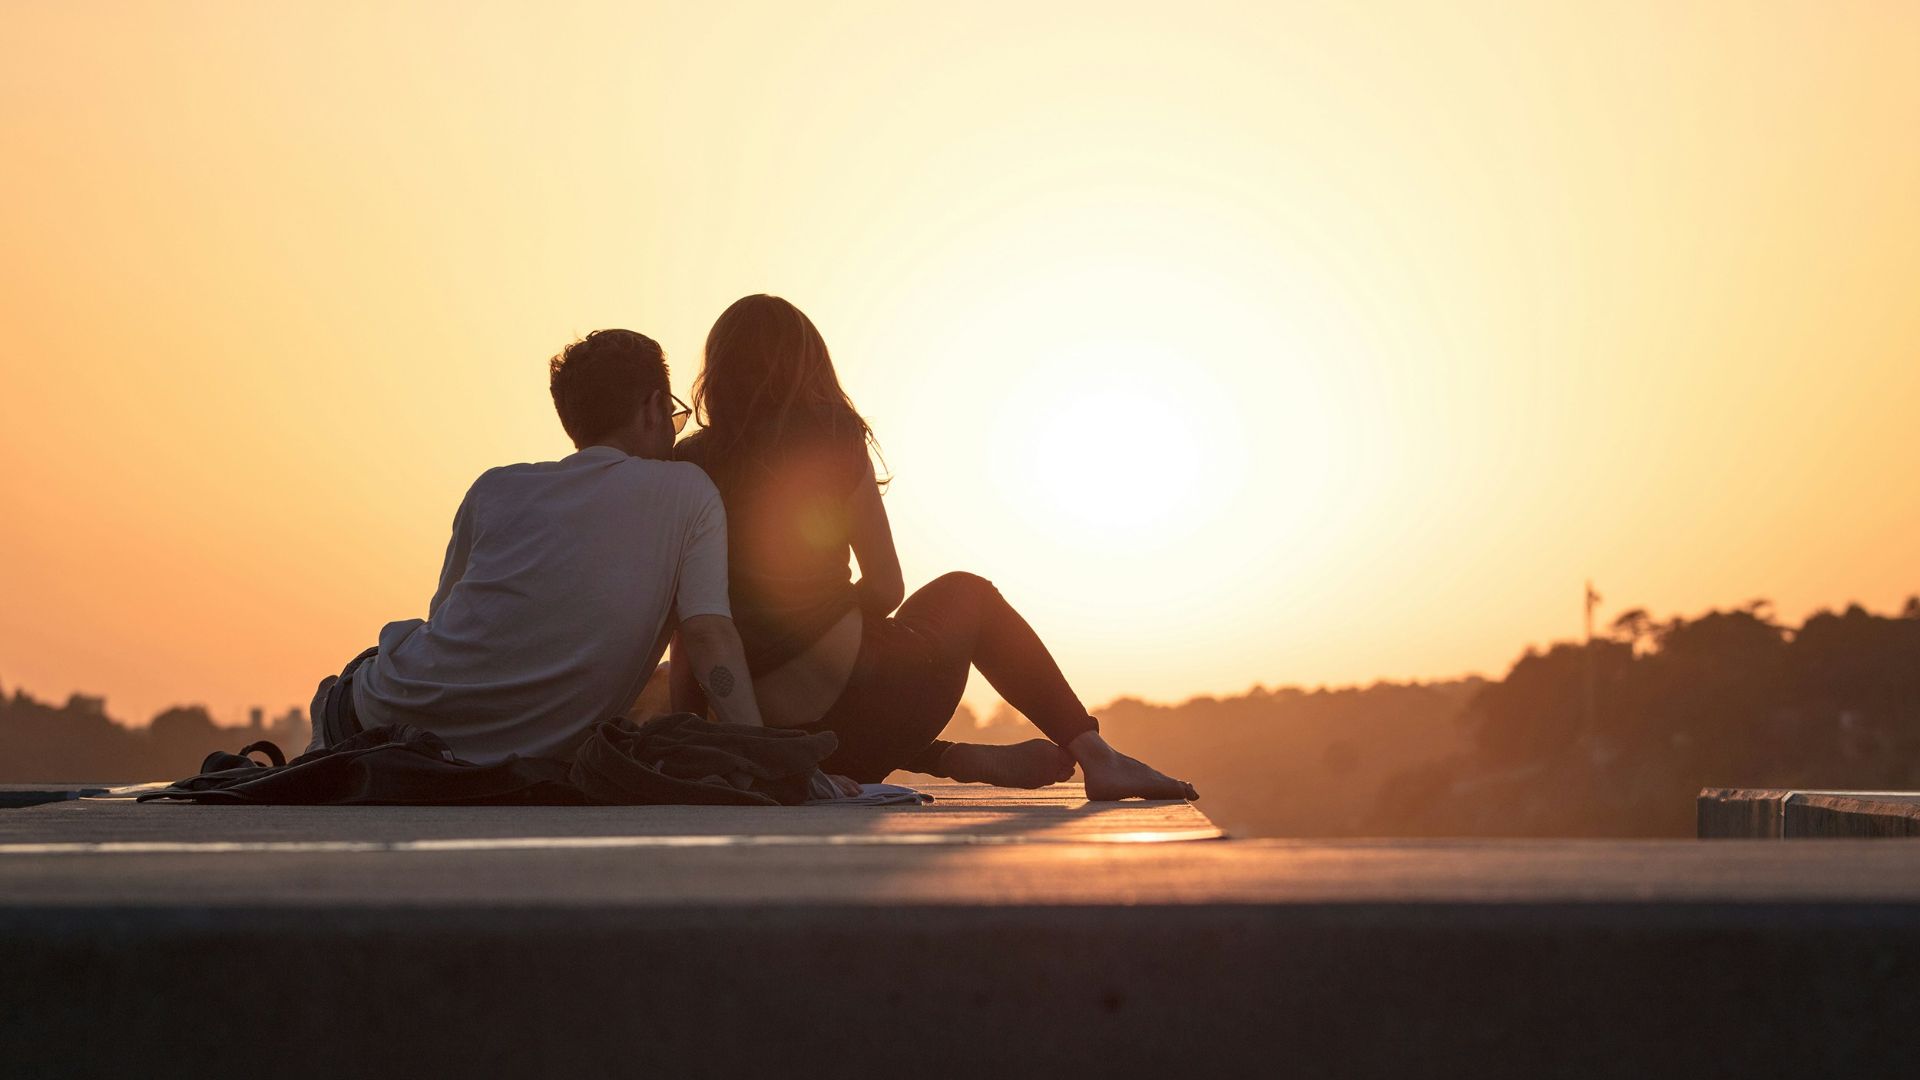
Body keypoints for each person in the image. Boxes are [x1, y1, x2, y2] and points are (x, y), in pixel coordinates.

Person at [671, 295, 1198, 801]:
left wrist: (704, 736)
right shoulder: (832, 436)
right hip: (867, 707)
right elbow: (886, 585)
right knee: (968, 594)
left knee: (832, 701)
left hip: (776, 739)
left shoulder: (688, 464)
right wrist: (825, 619)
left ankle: (943, 757)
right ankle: (1096, 756)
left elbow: (688, 626)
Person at [308, 328, 859, 795]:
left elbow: (453, 627)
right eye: (672, 412)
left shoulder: (496, 489)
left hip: (380, 720)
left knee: (380, 662)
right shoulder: (687, 491)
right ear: (650, 408)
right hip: (501, 756)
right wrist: (772, 765)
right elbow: (710, 636)